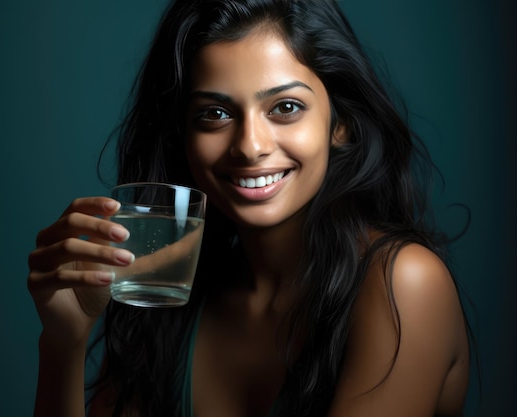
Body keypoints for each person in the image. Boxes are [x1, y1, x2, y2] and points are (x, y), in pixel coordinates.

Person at [27, 0, 472, 416]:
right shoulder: (175, 291)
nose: (249, 147)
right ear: (182, 136)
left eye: (286, 107)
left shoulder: (404, 283)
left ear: (341, 124)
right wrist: (64, 344)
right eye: (215, 115)